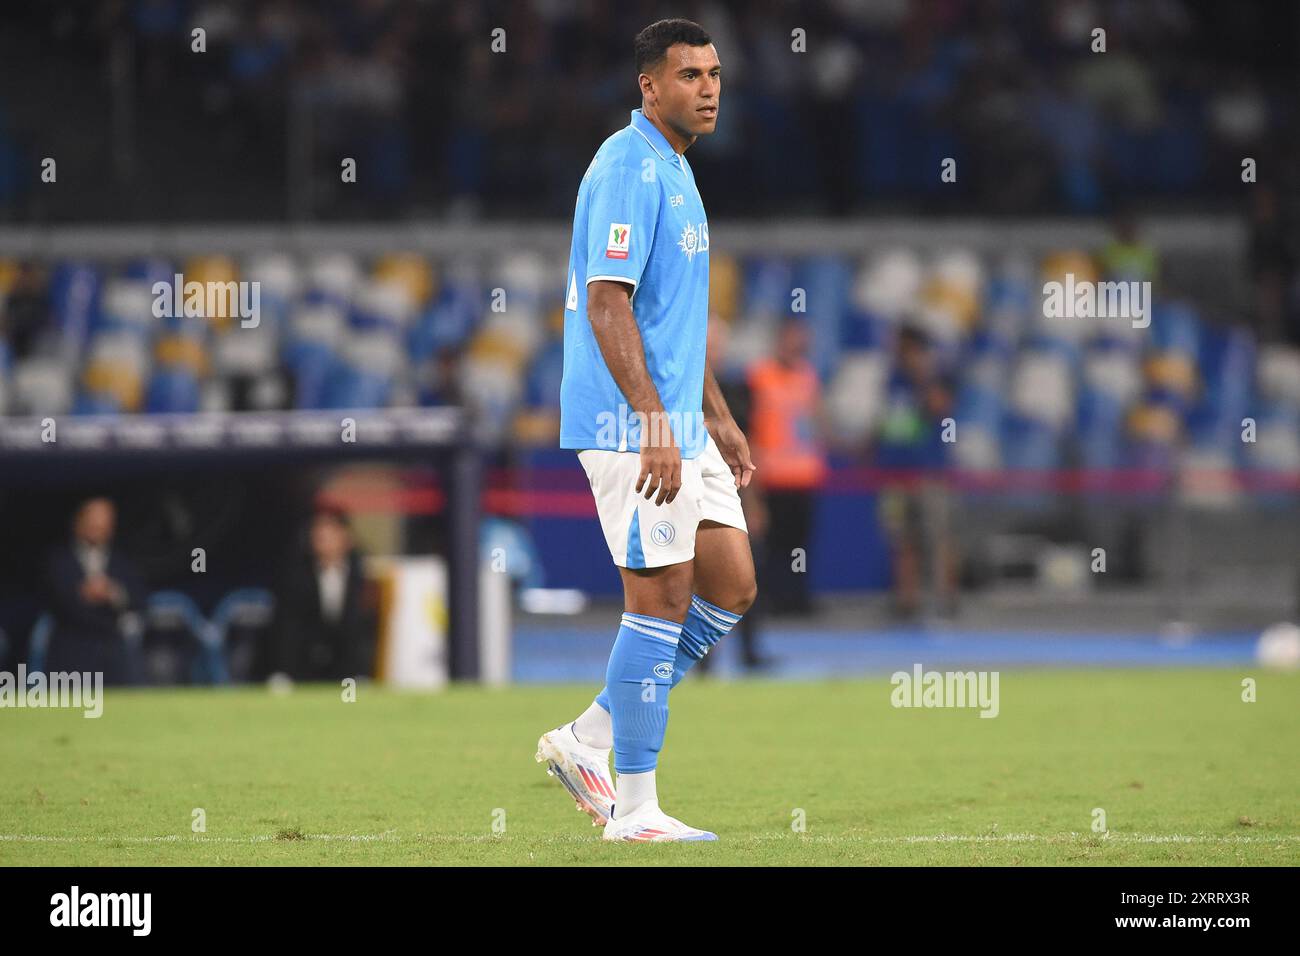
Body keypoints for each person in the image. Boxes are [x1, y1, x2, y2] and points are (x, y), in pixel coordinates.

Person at [536, 18, 756, 843]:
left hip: (675, 421)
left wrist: (718, 418)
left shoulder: (677, 170)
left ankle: (590, 735)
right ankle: (634, 810)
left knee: (730, 583)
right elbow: (607, 303)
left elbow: (673, 323)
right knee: (659, 598)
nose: (707, 88)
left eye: (714, 73)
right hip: (629, 424)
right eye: (689, 74)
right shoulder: (627, 166)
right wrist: (656, 421)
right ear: (649, 86)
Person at [747, 318, 828, 616]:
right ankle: (768, 599)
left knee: (800, 544)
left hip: (804, 474)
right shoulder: (760, 376)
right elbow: (751, 424)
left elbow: (817, 420)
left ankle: (796, 598)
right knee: (770, 544)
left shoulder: (808, 376)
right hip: (772, 474)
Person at [877, 323, 958, 618]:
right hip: (895, 474)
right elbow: (889, 423)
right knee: (901, 539)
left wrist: (921, 377)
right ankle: (906, 601)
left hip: (929, 472)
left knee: (938, 536)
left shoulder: (936, 378)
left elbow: (938, 406)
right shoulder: (892, 380)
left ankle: (945, 599)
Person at [45, 497, 144, 684]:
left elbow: (139, 599)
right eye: (94, 520)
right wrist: (84, 595)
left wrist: (113, 593)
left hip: (114, 647)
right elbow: (58, 601)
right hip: (72, 646)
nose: (99, 526)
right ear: (78, 522)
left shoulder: (123, 562)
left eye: (105, 521)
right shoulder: (59, 561)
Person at [272, 506, 376, 682]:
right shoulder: (298, 572)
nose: (322, 537)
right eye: (318, 533)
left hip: (346, 666)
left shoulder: (362, 572)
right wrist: (284, 672)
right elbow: (289, 627)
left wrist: (361, 672)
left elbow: (362, 626)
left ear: (346, 537)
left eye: (329, 532)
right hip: (306, 662)